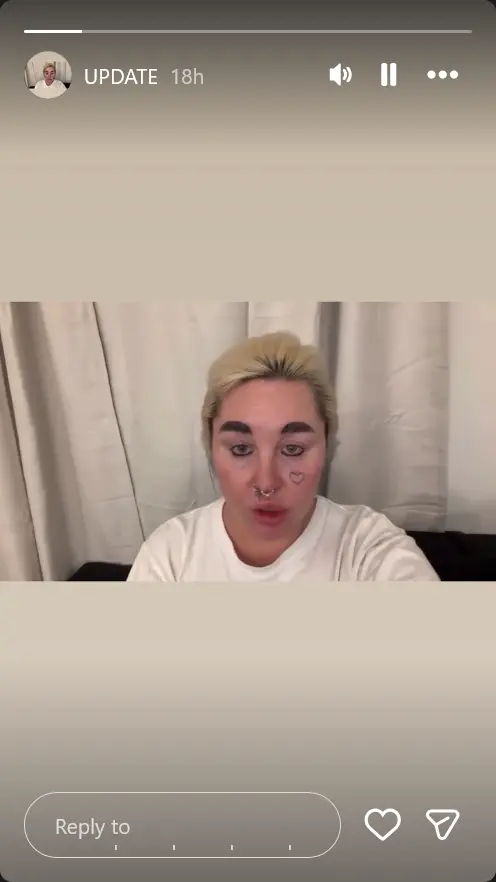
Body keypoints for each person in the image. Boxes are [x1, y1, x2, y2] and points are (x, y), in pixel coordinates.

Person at [128, 331, 440, 582]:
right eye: (241, 449)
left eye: (293, 449)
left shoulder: (367, 549)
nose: (266, 483)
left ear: (326, 448)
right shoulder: (171, 555)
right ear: (210, 447)